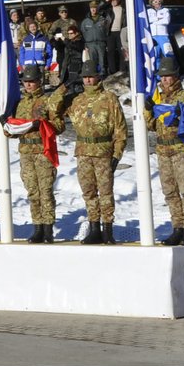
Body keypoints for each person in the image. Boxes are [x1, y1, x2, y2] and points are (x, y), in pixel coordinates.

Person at [145, 56, 184, 245]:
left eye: (168, 76)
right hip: (163, 149)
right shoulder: (157, 98)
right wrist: (149, 110)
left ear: (176, 76)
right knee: (169, 191)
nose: (164, 79)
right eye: (162, 76)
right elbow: (151, 126)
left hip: (181, 148)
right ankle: (177, 227)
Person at [64, 61, 127, 244]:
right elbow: (53, 110)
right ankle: (94, 228)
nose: (88, 80)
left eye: (91, 76)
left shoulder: (109, 98)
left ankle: (107, 229)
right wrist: (63, 90)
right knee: (89, 192)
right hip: (83, 152)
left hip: (103, 152)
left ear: (98, 77)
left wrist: (116, 155)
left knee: (105, 192)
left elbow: (120, 130)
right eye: (85, 77)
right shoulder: (77, 100)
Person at [4, 65, 66, 243]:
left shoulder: (47, 101)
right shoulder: (20, 103)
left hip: (42, 150)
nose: (29, 85)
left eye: (32, 81)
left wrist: (44, 125)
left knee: (45, 191)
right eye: (26, 82)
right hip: (26, 152)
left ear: (39, 82)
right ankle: (37, 226)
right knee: (32, 191)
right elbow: (12, 131)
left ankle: (48, 229)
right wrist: (5, 125)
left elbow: (59, 125)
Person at [81, 1, 111, 76]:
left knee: (102, 61)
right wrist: (85, 45)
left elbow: (107, 31)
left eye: (95, 8)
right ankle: (94, 76)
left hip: (101, 43)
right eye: (92, 8)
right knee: (92, 62)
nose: (93, 10)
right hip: (90, 44)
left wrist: (106, 43)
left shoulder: (103, 20)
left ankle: (102, 76)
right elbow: (82, 33)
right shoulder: (85, 21)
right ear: (90, 9)